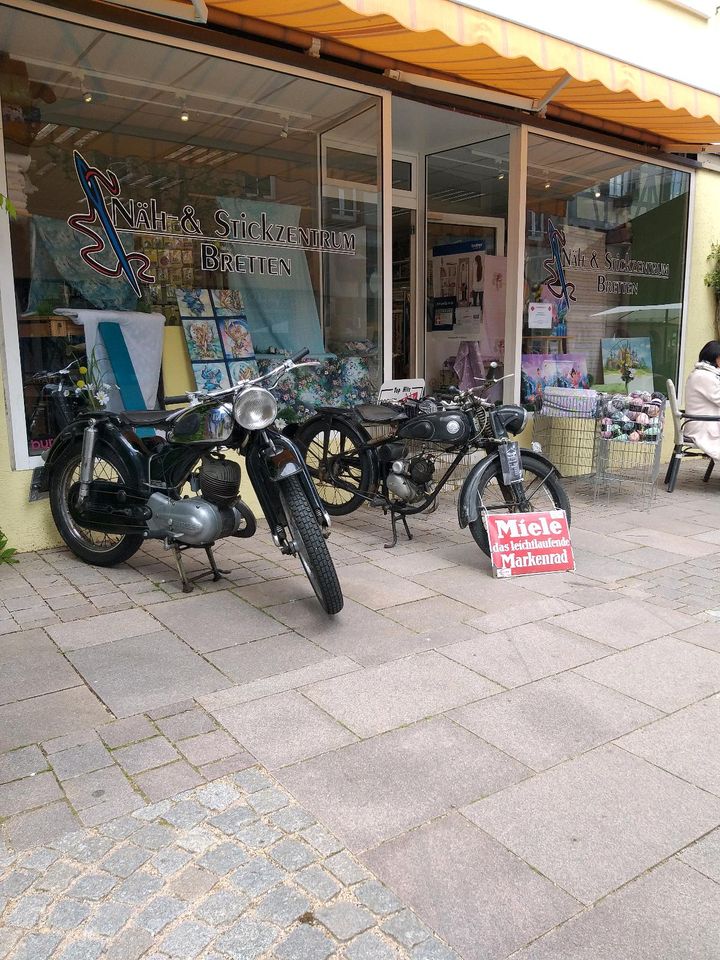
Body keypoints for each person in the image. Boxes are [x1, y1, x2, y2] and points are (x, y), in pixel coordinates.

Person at [683, 340, 720, 461]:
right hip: (703, 428)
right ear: (716, 358)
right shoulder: (704, 376)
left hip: (706, 423)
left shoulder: (705, 374)